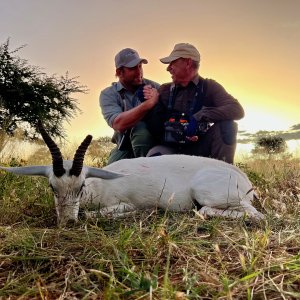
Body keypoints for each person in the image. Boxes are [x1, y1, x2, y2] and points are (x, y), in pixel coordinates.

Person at [145, 43, 244, 163]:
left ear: (188, 63)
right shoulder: (164, 90)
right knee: (154, 157)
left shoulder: (209, 87)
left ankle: (222, 175)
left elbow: (237, 110)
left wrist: (200, 117)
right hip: (170, 149)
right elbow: (153, 125)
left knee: (228, 126)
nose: (168, 68)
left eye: (172, 63)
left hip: (200, 148)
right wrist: (147, 101)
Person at [100, 48, 160, 164]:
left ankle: (147, 170)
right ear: (119, 72)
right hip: (124, 146)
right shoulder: (108, 94)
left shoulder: (156, 87)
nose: (139, 72)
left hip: (153, 142)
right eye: (132, 68)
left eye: (140, 66)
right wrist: (149, 104)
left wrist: (158, 99)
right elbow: (119, 124)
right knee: (109, 172)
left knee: (141, 130)